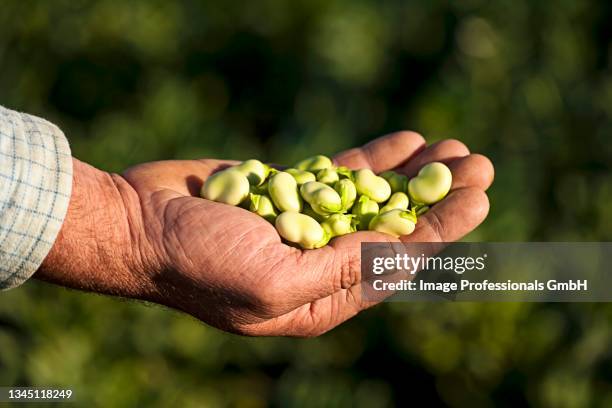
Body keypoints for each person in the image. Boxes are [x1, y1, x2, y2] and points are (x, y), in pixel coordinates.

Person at [0, 105, 494, 336]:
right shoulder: (321, 195)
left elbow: (314, 192)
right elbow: (319, 195)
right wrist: (130, 225)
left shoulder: (316, 192)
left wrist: (126, 216)